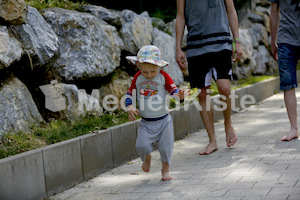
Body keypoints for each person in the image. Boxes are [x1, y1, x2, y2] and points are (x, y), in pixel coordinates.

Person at [175, 0, 242, 155]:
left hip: (221, 41)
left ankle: (228, 123)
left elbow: (231, 10)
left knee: (224, 88)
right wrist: (178, 48)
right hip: (196, 45)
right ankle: (212, 140)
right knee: (203, 93)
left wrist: (237, 41)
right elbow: (180, 17)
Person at [125, 45, 190, 181]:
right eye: (145, 72)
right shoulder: (138, 78)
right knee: (141, 146)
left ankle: (165, 170)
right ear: (138, 67)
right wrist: (130, 106)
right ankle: (147, 157)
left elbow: (174, 91)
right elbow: (130, 94)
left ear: (159, 67)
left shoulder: (163, 77)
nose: (149, 75)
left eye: (153, 71)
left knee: (166, 148)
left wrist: (181, 95)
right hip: (146, 122)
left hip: (164, 122)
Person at [269, 0, 299, 141]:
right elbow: (274, 12)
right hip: (285, 40)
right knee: (288, 83)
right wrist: (273, 41)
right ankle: (294, 128)